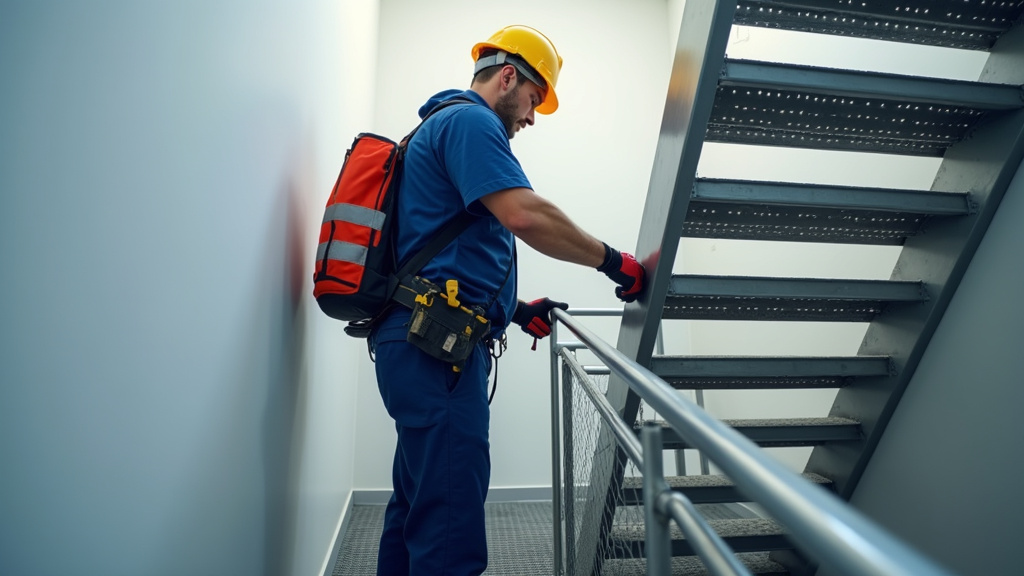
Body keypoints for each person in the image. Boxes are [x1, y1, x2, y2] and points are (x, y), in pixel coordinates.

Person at [370, 24, 646, 576]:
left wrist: (516, 311)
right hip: (436, 353)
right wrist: (619, 263)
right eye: (533, 98)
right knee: (449, 518)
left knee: (419, 503)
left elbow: (439, 250)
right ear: (507, 76)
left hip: (420, 339)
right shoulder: (471, 121)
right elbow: (526, 216)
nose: (531, 116)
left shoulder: (438, 125)